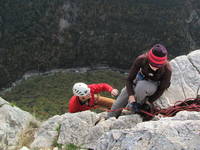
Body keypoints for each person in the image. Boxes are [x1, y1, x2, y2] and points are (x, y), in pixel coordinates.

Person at [107, 44, 172, 118]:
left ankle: (134, 111)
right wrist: (131, 95)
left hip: (153, 84)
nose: (155, 68)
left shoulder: (167, 69)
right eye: (153, 64)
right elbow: (129, 80)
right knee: (120, 100)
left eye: (158, 66)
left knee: (141, 87)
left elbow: (161, 89)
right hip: (139, 78)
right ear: (149, 59)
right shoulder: (141, 59)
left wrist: (149, 101)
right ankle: (110, 117)